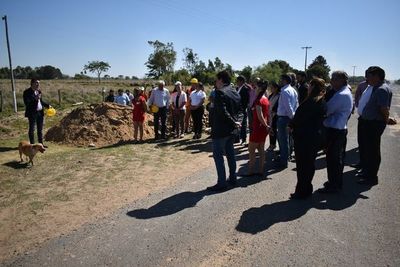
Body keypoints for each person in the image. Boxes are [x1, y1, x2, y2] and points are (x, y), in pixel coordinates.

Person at [289, 78, 327, 199]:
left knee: (303, 166)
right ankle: (305, 189)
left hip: (305, 138)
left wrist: (292, 125)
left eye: (310, 85)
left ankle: (302, 191)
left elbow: (300, 118)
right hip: (312, 138)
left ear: (313, 87)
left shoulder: (312, 102)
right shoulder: (320, 101)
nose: (308, 87)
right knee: (308, 165)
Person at [317, 71, 353, 193]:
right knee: (335, 158)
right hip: (338, 129)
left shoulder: (341, 95)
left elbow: (326, 110)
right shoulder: (343, 92)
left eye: (334, 79)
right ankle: (334, 182)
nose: (331, 81)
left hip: (335, 131)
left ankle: (334, 185)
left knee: (333, 159)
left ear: (342, 80)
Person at [356, 66, 392, 186]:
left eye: (370, 75)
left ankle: (371, 177)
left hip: (374, 124)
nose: (367, 78)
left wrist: (385, 121)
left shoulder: (381, 89)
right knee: (368, 150)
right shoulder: (375, 87)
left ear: (377, 76)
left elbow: (384, 109)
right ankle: (367, 172)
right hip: (369, 122)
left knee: (372, 151)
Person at [207, 70, 241, 192]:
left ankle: (222, 183)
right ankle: (233, 178)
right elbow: (240, 110)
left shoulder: (220, 92)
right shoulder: (234, 92)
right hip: (231, 131)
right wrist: (237, 123)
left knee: (218, 156)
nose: (215, 82)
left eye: (216, 80)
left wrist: (234, 122)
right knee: (230, 154)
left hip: (221, 130)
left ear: (221, 80)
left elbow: (222, 112)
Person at [245, 80, 270, 176]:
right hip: (263, 129)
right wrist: (267, 126)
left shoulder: (258, 100)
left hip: (258, 128)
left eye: (255, 87)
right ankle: (260, 170)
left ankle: (250, 171)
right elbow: (267, 115)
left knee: (251, 150)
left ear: (260, 88)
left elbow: (260, 116)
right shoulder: (265, 99)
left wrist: (266, 125)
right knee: (261, 149)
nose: (254, 89)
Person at [276, 74, 298, 169]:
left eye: (281, 79)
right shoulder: (293, 90)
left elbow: (288, 107)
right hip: (289, 117)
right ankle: (286, 158)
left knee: (283, 141)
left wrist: (292, 117)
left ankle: (283, 162)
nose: (279, 81)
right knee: (287, 140)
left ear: (284, 80)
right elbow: (296, 105)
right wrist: (294, 117)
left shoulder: (285, 91)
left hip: (284, 118)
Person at [23, 78, 51, 145]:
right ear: (32, 83)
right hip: (32, 113)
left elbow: (40, 102)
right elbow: (27, 104)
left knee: (40, 130)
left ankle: (40, 144)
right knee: (32, 129)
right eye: (36, 83)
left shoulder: (39, 91)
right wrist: (35, 99)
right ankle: (32, 145)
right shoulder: (27, 92)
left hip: (40, 113)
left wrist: (48, 106)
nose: (38, 84)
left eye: (38, 83)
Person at [236, 75, 250, 145]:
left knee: (243, 125)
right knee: (238, 124)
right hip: (237, 109)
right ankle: (238, 138)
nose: (236, 82)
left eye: (237, 81)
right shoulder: (237, 88)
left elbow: (246, 100)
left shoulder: (245, 89)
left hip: (243, 109)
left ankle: (244, 139)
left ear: (241, 81)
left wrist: (243, 108)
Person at [267, 81, 280, 152]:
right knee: (270, 130)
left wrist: (274, 111)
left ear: (276, 88)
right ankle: (272, 144)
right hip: (270, 115)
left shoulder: (280, 95)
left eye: (272, 88)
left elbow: (279, 106)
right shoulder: (270, 95)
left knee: (274, 130)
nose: (271, 89)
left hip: (276, 116)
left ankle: (274, 145)